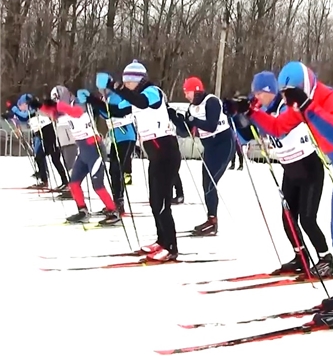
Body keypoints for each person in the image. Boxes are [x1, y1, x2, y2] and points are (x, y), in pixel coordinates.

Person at [245, 61, 333, 327]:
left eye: (292, 94)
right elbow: (277, 128)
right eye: (285, 96)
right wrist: (251, 112)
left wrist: (309, 108)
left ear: (307, 87)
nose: (289, 101)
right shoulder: (301, 108)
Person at [234, 71, 333, 278]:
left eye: (260, 93)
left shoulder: (286, 107)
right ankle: (301, 257)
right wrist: (239, 116)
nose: (256, 97)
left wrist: (253, 115)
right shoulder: (259, 109)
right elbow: (245, 136)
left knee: (307, 219)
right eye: (255, 93)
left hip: (309, 167)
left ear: (270, 92)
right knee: (288, 217)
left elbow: (280, 130)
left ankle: (325, 258)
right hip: (289, 169)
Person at [80, 60, 181, 261]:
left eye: (128, 81)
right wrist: (92, 99)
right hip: (155, 154)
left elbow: (142, 102)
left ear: (138, 80)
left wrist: (113, 86)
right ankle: (161, 241)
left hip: (166, 152)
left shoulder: (153, 92)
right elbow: (116, 112)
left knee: (162, 203)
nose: (125, 84)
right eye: (124, 81)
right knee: (155, 201)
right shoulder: (134, 97)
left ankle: (171, 247)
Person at [28, 92, 120, 225]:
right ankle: (83, 211)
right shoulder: (64, 110)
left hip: (95, 149)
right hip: (83, 151)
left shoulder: (79, 104)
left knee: (97, 185)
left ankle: (113, 211)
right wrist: (39, 106)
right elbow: (53, 113)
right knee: (74, 183)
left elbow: (75, 112)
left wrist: (57, 105)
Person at [175, 77, 234, 236]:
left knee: (209, 183)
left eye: (188, 92)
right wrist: (175, 118)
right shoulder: (192, 107)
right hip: (209, 148)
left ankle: (213, 222)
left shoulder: (211, 101)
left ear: (196, 90)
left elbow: (211, 124)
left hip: (224, 145)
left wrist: (193, 120)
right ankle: (210, 219)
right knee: (206, 183)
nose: (186, 96)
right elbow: (185, 131)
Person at [84, 88, 137, 214]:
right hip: (116, 139)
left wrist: (97, 103)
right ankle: (115, 202)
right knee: (113, 170)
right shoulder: (107, 98)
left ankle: (119, 203)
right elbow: (104, 114)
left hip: (126, 137)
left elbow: (111, 112)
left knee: (117, 170)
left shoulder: (115, 97)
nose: (101, 91)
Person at [10, 94, 69, 190]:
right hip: (39, 133)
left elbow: (24, 117)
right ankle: (44, 180)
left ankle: (65, 181)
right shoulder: (28, 110)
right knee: (39, 156)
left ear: (26, 103)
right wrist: (11, 115)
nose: (21, 108)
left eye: (21, 105)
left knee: (55, 159)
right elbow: (22, 118)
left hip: (48, 132)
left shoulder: (34, 108)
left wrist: (14, 109)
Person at [224, 97, 245, 170]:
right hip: (232, 133)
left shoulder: (237, 116)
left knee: (239, 150)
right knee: (233, 150)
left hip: (237, 134)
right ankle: (233, 164)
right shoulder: (229, 116)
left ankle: (241, 165)